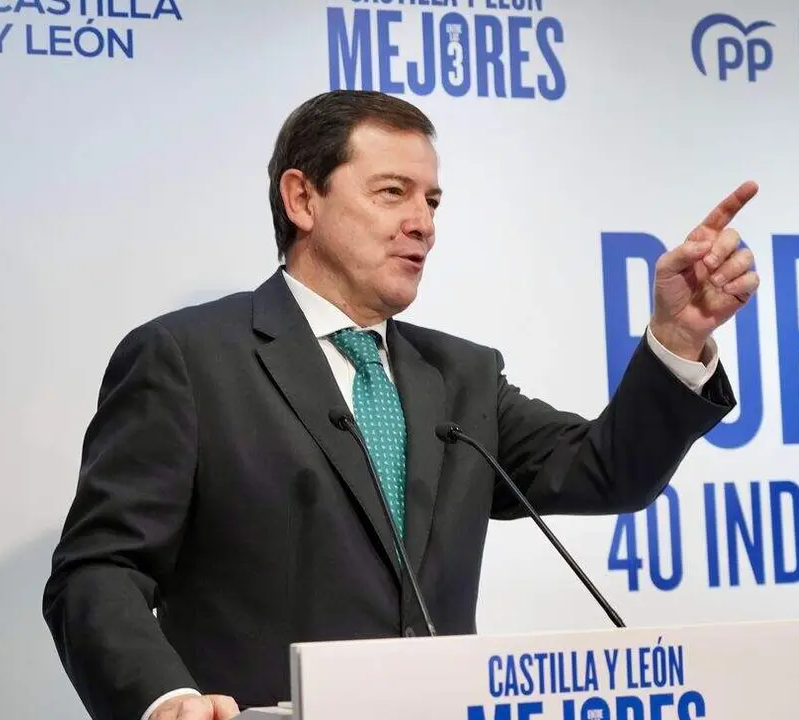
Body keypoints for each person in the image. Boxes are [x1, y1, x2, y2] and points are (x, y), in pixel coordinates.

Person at [42, 90, 759, 720]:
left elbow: (609, 471)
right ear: (302, 200)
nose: (423, 222)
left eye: (433, 200)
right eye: (393, 192)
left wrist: (675, 336)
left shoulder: (459, 375)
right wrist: (164, 699)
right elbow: (99, 570)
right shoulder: (190, 361)